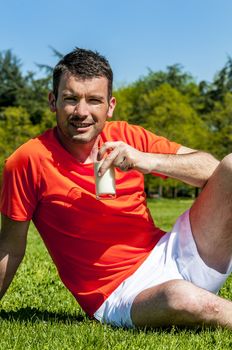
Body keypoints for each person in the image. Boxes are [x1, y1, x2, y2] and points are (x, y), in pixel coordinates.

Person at [0, 48, 232, 330]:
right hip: (120, 293)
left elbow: (212, 169)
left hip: (170, 252)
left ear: (110, 106)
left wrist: (145, 160)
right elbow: (11, 246)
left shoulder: (128, 136)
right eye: (71, 99)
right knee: (180, 297)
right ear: (53, 101)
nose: (82, 112)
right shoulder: (28, 160)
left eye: (94, 100)